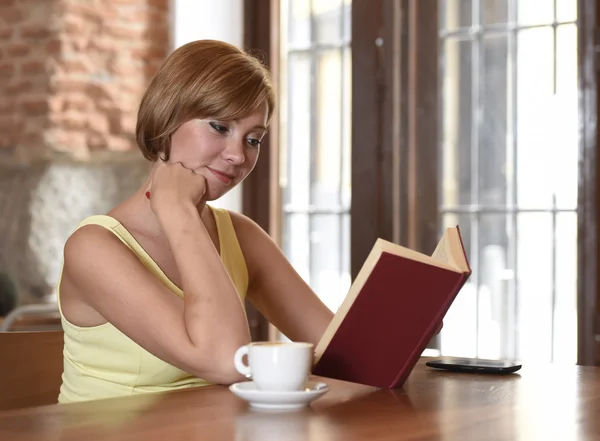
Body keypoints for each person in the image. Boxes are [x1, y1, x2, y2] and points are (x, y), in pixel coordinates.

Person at [56, 40, 335, 404]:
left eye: (253, 139)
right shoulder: (92, 248)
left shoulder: (240, 235)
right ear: (167, 117)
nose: (238, 155)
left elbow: (341, 351)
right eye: (219, 127)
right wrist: (176, 208)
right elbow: (225, 361)